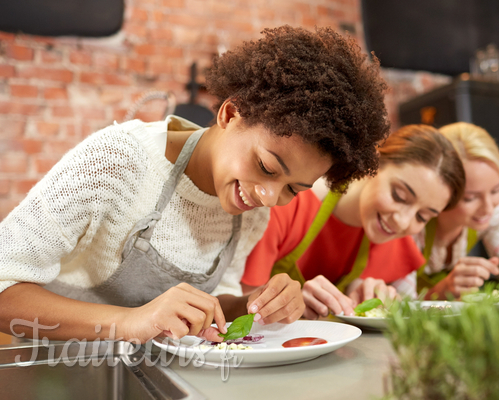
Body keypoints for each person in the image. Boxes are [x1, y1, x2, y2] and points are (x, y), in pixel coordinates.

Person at [0, 26, 390, 343]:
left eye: (293, 189)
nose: (268, 196)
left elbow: (212, 305)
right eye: (267, 167)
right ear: (231, 112)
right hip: (56, 367)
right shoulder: (119, 160)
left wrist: (253, 304)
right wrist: (133, 322)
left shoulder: (250, 211)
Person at [242, 125, 466, 319]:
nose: (402, 221)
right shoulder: (288, 204)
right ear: (374, 163)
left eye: (422, 216)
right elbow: (237, 304)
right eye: (399, 196)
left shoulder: (396, 242)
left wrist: (370, 301)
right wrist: (290, 304)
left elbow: (405, 322)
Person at [406, 122, 499, 300]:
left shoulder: (496, 207)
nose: (488, 207)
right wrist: (441, 291)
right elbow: (396, 309)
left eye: (496, 190)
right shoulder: (410, 221)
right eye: (470, 198)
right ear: (440, 191)